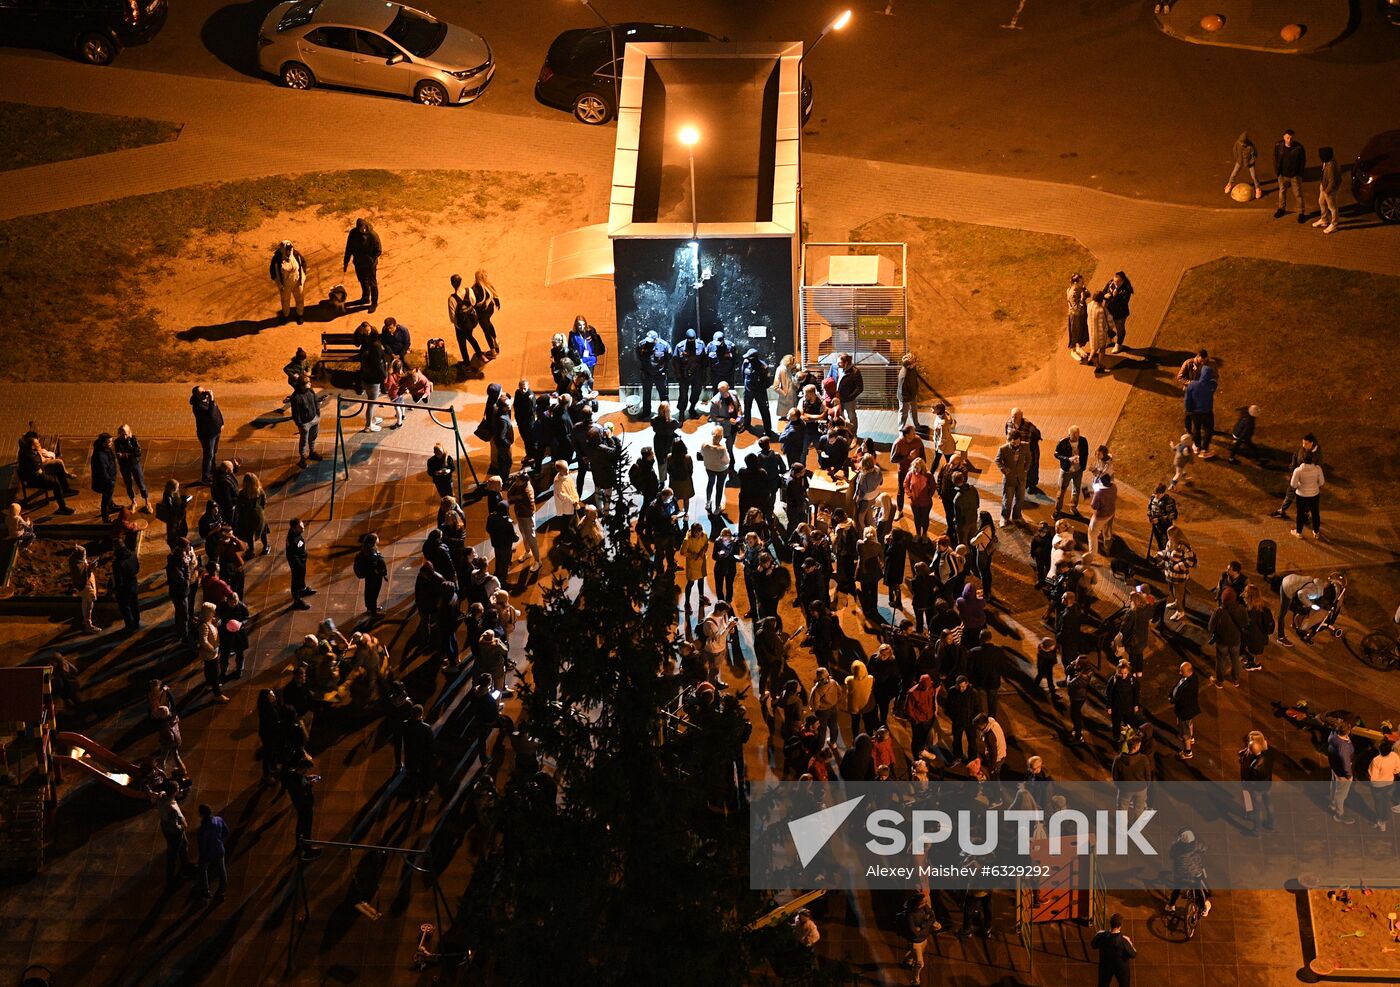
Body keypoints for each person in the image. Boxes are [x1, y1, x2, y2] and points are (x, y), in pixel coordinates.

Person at [1271, 433, 1322, 520]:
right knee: (1290, 492)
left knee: (1306, 497)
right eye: (1303, 443)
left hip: (1307, 481)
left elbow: (1318, 467)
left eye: (1306, 443)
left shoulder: (1317, 454)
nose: (1303, 445)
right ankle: (1282, 510)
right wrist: (1292, 469)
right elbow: (1295, 457)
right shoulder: (1302, 449)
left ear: (1312, 443)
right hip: (1296, 476)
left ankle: (1305, 514)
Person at [1166, 830, 1211, 918]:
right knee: (1199, 888)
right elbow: (1204, 848)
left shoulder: (1176, 847)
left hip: (1179, 874)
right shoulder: (1195, 845)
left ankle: (1171, 906)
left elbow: (1171, 855)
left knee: (1176, 889)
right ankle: (1203, 908)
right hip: (1195, 873)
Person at [1240, 730, 1276, 833]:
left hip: (1257, 789)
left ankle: (1257, 830)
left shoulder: (1253, 765)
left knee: (1257, 809)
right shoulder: (1270, 753)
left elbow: (1251, 780)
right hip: (1267, 785)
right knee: (1269, 805)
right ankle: (1271, 824)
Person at [1158, 526, 1197, 620]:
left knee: (1179, 594)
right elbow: (1168, 554)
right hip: (1169, 574)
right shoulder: (1170, 543)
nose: (1168, 537)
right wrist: (1161, 554)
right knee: (1173, 591)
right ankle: (1176, 603)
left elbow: (1190, 561)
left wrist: (1178, 566)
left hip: (1179, 576)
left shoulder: (1184, 546)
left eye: (1170, 535)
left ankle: (1180, 611)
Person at [343, 217, 382, 311]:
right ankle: (365, 298)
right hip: (358, 263)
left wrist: (371, 259)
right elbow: (348, 248)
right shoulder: (353, 233)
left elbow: (379, 250)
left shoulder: (373, 235)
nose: (361, 230)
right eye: (359, 228)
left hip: (370, 265)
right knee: (362, 280)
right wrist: (346, 262)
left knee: (372, 283)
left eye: (362, 228)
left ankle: (374, 303)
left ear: (365, 226)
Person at [898, 892, 937, 983]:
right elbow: (915, 933)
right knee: (920, 964)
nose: (925, 903)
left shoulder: (924, 907)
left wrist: (923, 926)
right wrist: (927, 924)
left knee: (914, 953)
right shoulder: (910, 915)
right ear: (917, 904)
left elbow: (932, 917)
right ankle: (915, 981)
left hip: (924, 937)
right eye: (923, 902)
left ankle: (906, 962)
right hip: (915, 941)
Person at [401, 704, 436, 803]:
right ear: (421, 714)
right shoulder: (426, 728)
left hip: (410, 755)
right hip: (423, 757)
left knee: (412, 776)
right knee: (425, 776)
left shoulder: (404, 724)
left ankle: (414, 795)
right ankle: (425, 795)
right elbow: (430, 745)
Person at [1091, 913, 1136, 987]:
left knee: (1103, 984)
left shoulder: (1101, 935)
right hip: (1121, 967)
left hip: (1105, 966)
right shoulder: (1124, 940)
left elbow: (1093, 945)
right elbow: (1133, 954)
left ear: (1110, 923)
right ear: (1121, 925)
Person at [196, 804, 231, 900]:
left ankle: (205, 890)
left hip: (208, 853)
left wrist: (202, 856)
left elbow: (202, 845)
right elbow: (226, 831)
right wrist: (219, 841)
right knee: (222, 871)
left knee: (203, 869)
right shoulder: (218, 819)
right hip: (219, 849)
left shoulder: (203, 830)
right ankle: (221, 891)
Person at [269, 239, 307, 324]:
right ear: (283, 249)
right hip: (285, 285)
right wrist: (278, 282)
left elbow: (303, 263)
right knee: (285, 300)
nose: (289, 251)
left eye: (290, 249)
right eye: (287, 249)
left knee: (300, 299)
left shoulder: (296, 255)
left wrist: (303, 276)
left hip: (297, 282)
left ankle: (300, 315)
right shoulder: (277, 258)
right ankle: (286, 316)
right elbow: (272, 270)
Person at [113, 424, 149, 513]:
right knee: (128, 485)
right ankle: (133, 502)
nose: (123, 436)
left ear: (128, 433)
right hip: (124, 466)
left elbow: (138, 454)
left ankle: (147, 502)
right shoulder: (117, 442)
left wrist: (125, 455)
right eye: (121, 434)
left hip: (134, 464)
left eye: (125, 434)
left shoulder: (133, 440)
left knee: (141, 484)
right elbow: (118, 454)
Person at [1289, 450, 1325, 540]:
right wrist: (1315, 485)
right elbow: (1322, 482)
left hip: (1301, 495)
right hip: (1314, 494)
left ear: (1302, 459)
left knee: (1300, 514)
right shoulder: (1317, 469)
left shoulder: (1298, 470)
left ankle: (1299, 532)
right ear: (1312, 459)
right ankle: (1316, 532)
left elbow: (1293, 484)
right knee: (1315, 513)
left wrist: (1299, 486)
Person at [994, 433, 1027, 527]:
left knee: (1020, 499)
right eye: (1014, 444)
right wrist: (1004, 470)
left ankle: (1017, 516)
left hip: (1021, 478)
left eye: (1018, 443)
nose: (1016, 445)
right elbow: (997, 460)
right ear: (1010, 441)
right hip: (1009, 479)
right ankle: (1004, 517)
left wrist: (1026, 469)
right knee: (1007, 500)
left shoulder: (1025, 446)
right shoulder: (1003, 449)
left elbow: (1029, 458)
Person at [1053, 425, 1088, 517]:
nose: (1077, 438)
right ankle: (1057, 510)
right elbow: (1056, 454)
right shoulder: (1062, 442)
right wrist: (1067, 459)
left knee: (1076, 489)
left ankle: (1073, 507)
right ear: (1069, 435)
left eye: (1078, 435)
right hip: (1066, 471)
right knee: (1061, 490)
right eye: (1074, 436)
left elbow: (1086, 453)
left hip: (1078, 470)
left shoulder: (1083, 441)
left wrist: (1082, 465)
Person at [1274, 129, 1307, 222]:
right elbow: (1275, 159)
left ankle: (1301, 213)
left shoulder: (1299, 148)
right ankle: (1281, 209)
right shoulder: (1278, 146)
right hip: (1282, 175)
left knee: (1298, 194)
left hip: (1294, 176)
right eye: (1287, 138)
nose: (1289, 140)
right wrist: (1278, 172)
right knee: (1282, 192)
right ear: (1284, 137)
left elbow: (1303, 162)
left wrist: (1299, 174)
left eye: (1291, 138)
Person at [1184, 364, 1218, 457]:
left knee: (1196, 428)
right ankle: (1204, 449)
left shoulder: (1192, 385)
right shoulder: (1211, 385)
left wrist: (1188, 409)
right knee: (1208, 430)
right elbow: (1214, 383)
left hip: (1195, 412)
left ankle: (1197, 446)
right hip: (1207, 412)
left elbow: (1187, 399)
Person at [289, 375, 321, 469]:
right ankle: (302, 458)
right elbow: (295, 413)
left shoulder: (310, 390)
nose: (310, 383)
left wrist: (318, 413)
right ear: (302, 385)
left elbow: (315, 401)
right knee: (304, 441)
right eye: (308, 382)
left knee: (313, 437)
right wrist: (300, 424)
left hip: (314, 419)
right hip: (304, 423)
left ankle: (312, 452)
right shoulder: (296, 397)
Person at [637, 331, 670, 420]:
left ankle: (665, 414)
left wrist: (662, 369)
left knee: (663, 395)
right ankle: (646, 412)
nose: (649, 342)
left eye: (651, 341)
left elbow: (668, 358)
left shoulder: (664, 345)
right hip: (647, 373)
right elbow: (639, 356)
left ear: (656, 339)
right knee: (646, 394)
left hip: (660, 374)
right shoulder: (642, 344)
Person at [468, 269, 502, 356]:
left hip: (482, 313)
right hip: (490, 309)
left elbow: (472, 302)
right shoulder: (488, 285)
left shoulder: (474, 289)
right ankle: (496, 340)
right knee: (488, 323)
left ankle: (493, 351)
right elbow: (495, 295)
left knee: (486, 331)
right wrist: (497, 304)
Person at [741, 347, 774, 437]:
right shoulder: (746, 363)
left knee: (764, 411)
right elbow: (743, 375)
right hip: (748, 391)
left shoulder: (763, 367)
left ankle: (768, 430)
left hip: (760, 392)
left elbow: (768, 382)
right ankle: (746, 425)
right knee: (747, 409)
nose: (747, 359)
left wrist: (760, 388)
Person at [1170, 662, 1200, 759]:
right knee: (1189, 724)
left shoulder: (1190, 685)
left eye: (1182, 671)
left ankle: (1188, 752)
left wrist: (1172, 700)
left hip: (1185, 711)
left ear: (1189, 672)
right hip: (1188, 710)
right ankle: (1191, 738)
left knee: (1185, 733)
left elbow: (1182, 699)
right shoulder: (1191, 677)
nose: (1180, 673)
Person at [700, 425, 731, 515]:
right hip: (721, 470)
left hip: (709, 467)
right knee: (719, 487)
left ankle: (708, 502)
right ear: (721, 436)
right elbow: (726, 461)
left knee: (710, 483)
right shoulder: (722, 448)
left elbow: (702, 454)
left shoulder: (705, 444)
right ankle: (717, 507)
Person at [1328, 722, 1355, 823]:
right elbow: (1345, 762)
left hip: (1335, 768)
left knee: (1334, 786)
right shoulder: (1343, 746)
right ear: (1348, 731)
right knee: (1341, 794)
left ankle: (1332, 805)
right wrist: (1348, 774)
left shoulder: (1333, 737)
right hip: (1342, 773)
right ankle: (1339, 814)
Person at [1368, 741, 1399, 831]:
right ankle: (1383, 820)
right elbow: (1397, 770)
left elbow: (1374, 777)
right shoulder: (1394, 756)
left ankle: (1381, 822)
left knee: (1379, 803)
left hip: (1378, 786)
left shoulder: (1377, 760)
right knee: (1386, 801)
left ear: (1380, 750)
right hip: (1389, 783)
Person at [1086, 474, 1117, 559]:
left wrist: (1096, 492)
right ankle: (1107, 548)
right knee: (1107, 530)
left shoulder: (1099, 492)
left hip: (1101, 516)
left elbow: (1094, 506)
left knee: (1092, 534)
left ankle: (1092, 555)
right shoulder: (1114, 486)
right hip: (1111, 512)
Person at [89, 432, 118, 522]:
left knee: (109, 496)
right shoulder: (99, 455)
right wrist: (110, 481)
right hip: (105, 482)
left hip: (110, 478)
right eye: (109, 442)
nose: (111, 443)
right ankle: (105, 518)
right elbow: (102, 471)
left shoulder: (105, 448)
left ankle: (112, 506)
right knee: (105, 500)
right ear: (103, 443)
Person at [286, 517, 313, 610]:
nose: (303, 528)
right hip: (296, 562)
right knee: (296, 579)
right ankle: (297, 599)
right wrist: (298, 564)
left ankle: (303, 589)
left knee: (302, 575)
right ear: (294, 529)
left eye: (302, 525)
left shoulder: (297, 532)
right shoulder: (292, 540)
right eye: (300, 527)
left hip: (301, 559)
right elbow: (292, 555)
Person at [1225, 131, 1262, 199]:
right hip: (1240, 162)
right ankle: (1229, 184)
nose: (1241, 144)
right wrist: (1238, 159)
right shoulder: (1238, 143)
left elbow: (1255, 155)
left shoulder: (1251, 146)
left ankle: (1258, 188)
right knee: (1233, 173)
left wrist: (1250, 162)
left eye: (1243, 143)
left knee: (1254, 176)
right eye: (1240, 142)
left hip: (1249, 163)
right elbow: (1234, 151)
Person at [1086, 291, 1111, 374]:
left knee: (1094, 347)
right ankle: (1099, 366)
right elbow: (1103, 324)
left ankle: (1090, 360)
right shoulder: (1101, 310)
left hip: (1091, 331)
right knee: (1102, 349)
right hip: (1099, 334)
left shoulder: (1089, 305)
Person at [1066, 273, 1090, 360]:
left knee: (1082, 332)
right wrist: (1082, 299)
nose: (1083, 283)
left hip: (1082, 314)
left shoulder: (1080, 288)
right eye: (1081, 281)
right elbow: (1076, 309)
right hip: (1075, 316)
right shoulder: (1072, 293)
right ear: (1075, 282)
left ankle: (1079, 348)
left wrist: (1084, 290)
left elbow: (1089, 294)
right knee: (1074, 333)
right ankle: (1073, 351)